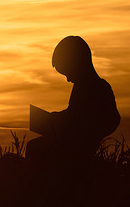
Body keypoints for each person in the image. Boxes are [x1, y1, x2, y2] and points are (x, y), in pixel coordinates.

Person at [26, 36, 120, 168]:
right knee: (34, 147)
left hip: (77, 147)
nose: (68, 79)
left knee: (34, 148)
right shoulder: (83, 87)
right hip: (71, 141)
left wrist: (86, 131)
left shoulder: (98, 87)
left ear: (77, 64)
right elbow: (73, 114)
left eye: (67, 73)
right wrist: (54, 119)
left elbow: (112, 119)